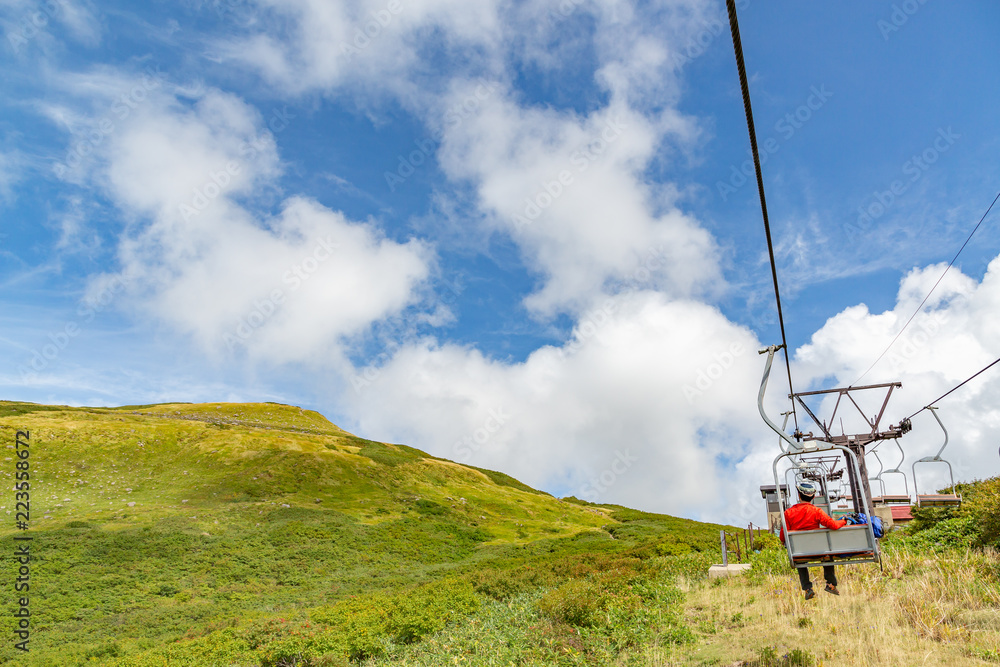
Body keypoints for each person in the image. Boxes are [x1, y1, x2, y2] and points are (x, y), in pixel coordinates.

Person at [779, 481, 847, 600]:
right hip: (818, 551)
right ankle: (830, 584)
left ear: (799, 495)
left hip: (799, 552)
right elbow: (834, 525)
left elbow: (783, 535)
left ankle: (807, 588)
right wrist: (844, 521)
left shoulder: (788, 513)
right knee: (827, 554)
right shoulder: (817, 511)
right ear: (813, 497)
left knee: (799, 559)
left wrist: (783, 542)